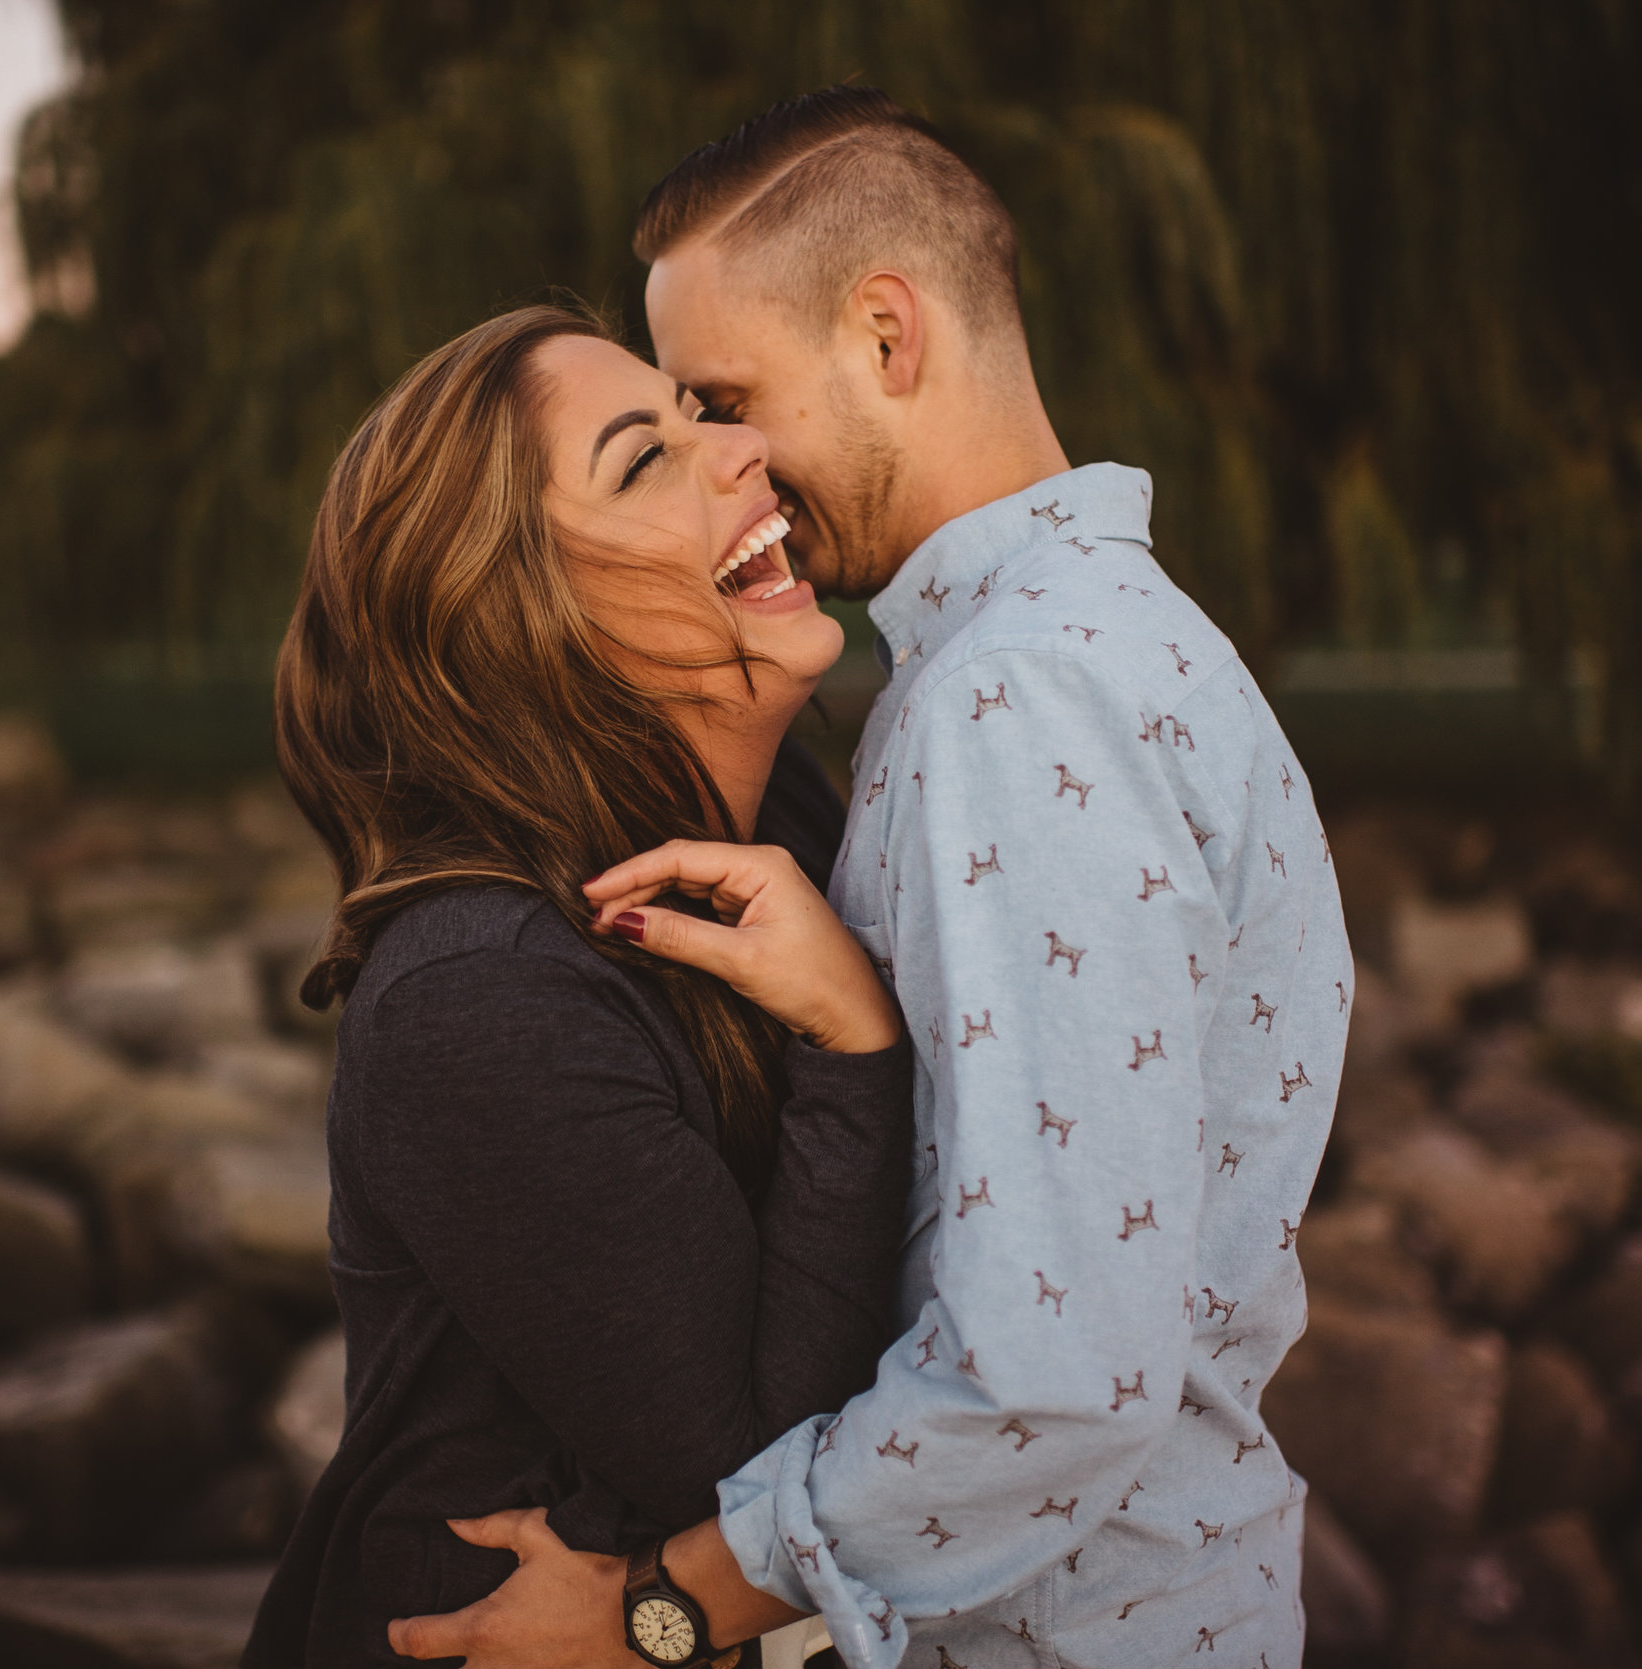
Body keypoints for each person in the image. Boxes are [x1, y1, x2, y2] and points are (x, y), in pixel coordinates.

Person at [388, 88, 1353, 1669]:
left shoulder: (1018, 700)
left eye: (723, 394)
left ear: (887, 336)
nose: (726, 458)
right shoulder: (1078, 650)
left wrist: (662, 1606)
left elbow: (1053, 1374)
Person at [238, 303, 923, 1669]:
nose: (740, 448)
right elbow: (747, 1473)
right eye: (644, 458)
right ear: (520, 620)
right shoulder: (477, 994)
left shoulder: (779, 824)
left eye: (699, 413)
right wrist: (854, 1042)